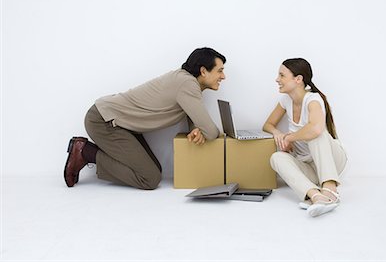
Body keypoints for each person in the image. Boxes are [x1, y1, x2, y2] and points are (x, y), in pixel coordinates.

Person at [64, 47, 226, 190]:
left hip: (120, 123)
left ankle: (87, 153)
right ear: (203, 71)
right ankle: (84, 152)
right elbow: (211, 132)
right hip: (104, 120)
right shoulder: (187, 84)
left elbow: (193, 117)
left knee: (154, 169)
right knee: (149, 179)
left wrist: (196, 129)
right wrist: (207, 130)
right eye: (220, 70)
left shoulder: (186, 82)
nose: (223, 76)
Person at [263, 58, 347, 217]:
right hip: (310, 167)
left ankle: (331, 189)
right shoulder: (286, 100)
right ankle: (316, 196)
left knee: (317, 133)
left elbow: (315, 128)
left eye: (282, 75)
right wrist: (279, 134)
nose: (277, 79)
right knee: (276, 157)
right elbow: (268, 124)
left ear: (298, 79)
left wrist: (289, 138)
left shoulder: (313, 99)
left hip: (333, 162)